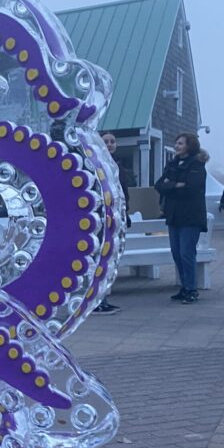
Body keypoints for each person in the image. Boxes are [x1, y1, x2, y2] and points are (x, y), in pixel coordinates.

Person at [155, 133, 208, 304]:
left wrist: (171, 185)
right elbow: (159, 185)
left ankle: (191, 289)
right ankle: (184, 287)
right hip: (174, 216)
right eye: (176, 143)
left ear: (189, 146)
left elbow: (192, 188)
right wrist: (176, 184)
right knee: (177, 253)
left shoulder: (197, 164)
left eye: (181, 143)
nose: (177, 146)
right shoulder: (172, 164)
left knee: (187, 253)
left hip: (190, 216)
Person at [92, 132, 130, 315]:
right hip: (99, 219)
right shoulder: (93, 165)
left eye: (112, 141)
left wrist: (125, 214)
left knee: (108, 261)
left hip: (114, 219)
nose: (109, 144)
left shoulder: (117, 166)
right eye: (105, 141)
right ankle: (96, 301)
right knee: (99, 260)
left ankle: (103, 299)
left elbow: (124, 193)